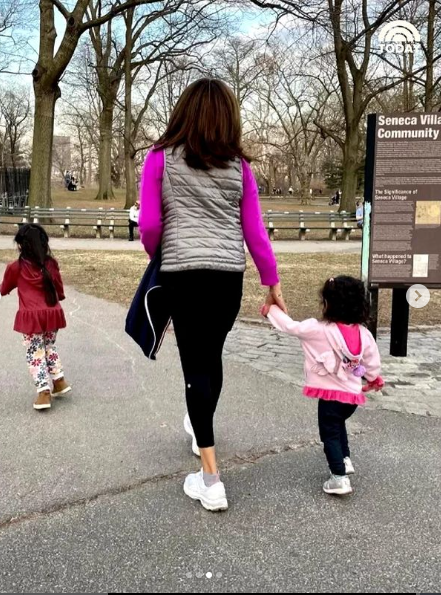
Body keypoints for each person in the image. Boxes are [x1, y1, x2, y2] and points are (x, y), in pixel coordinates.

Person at [139, 78, 286, 512]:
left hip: (183, 273)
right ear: (227, 119)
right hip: (227, 277)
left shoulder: (159, 160)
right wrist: (271, 281)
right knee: (212, 358)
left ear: (183, 112)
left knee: (193, 366)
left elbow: (149, 227)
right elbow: (255, 231)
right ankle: (198, 423)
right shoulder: (239, 167)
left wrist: (158, 255)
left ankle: (211, 478)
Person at [262, 275, 384, 496]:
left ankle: (339, 477)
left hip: (330, 399)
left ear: (328, 304)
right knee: (338, 426)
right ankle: (345, 459)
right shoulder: (364, 334)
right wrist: (374, 379)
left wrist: (270, 309)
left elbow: (290, 327)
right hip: (351, 398)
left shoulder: (317, 330)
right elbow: (372, 362)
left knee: (329, 433)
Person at [0, 224, 71, 411]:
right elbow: (59, 289)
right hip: (52, 313)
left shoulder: (15, 267)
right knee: (49, 347)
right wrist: (57, 300)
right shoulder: (51, 264)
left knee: (35, 353)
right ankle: (59, 381)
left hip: (31, 317)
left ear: (21, 246)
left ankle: (44, 392)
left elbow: (4, 288)